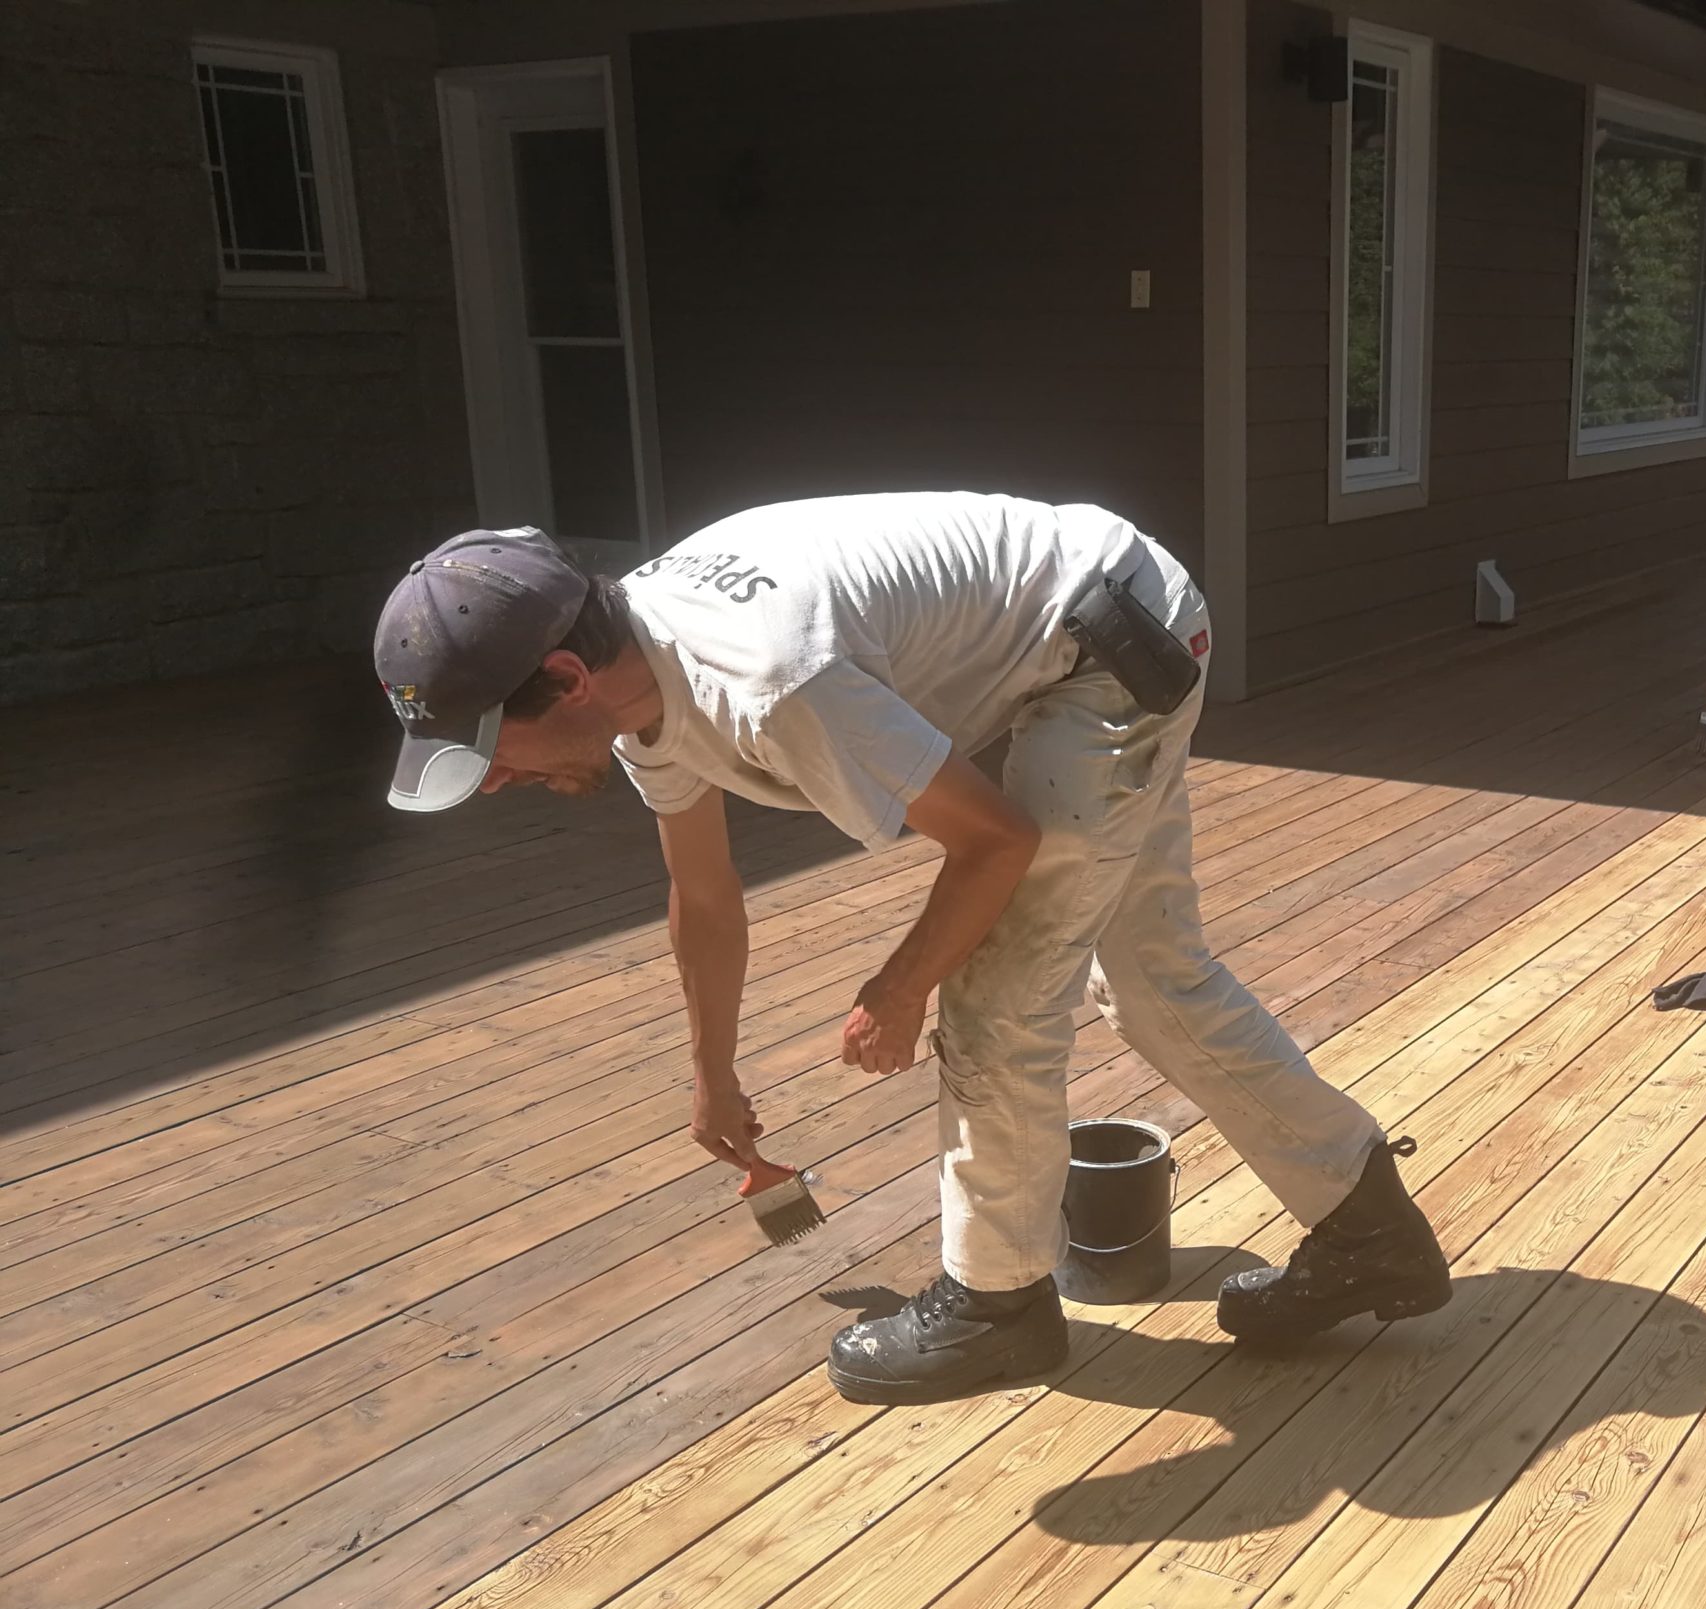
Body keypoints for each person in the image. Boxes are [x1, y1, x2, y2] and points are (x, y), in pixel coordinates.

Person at [372, 495, 1452, 1403]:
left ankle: (997, 1307)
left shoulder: (768, 677)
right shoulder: (638, 688)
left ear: (567, 676)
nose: (492, 784)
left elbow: (995, 842)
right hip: (1078, 612)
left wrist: (897, 989)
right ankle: (1370, 1233)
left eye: (487, 751)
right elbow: (702, 894)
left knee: (993, 1000)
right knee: (1151, 981)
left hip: (1112, 640)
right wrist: (713, 1074)